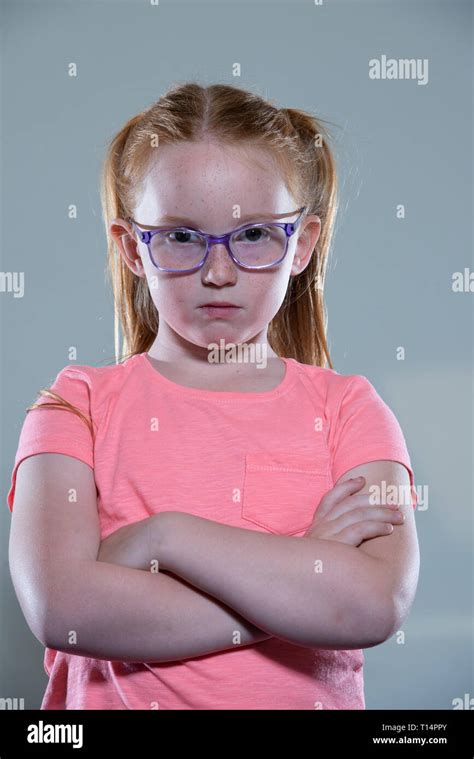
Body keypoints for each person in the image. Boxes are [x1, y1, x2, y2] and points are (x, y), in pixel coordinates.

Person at [7, 82, 420, 710]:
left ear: (302, 245)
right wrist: (303, 570)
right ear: (131, 249)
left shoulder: (350, 411)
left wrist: (164, 539)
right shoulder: (74, 409)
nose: (219, 271)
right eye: (180, 236)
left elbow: (372, 605)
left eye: (254, 234)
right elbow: (63, 608)